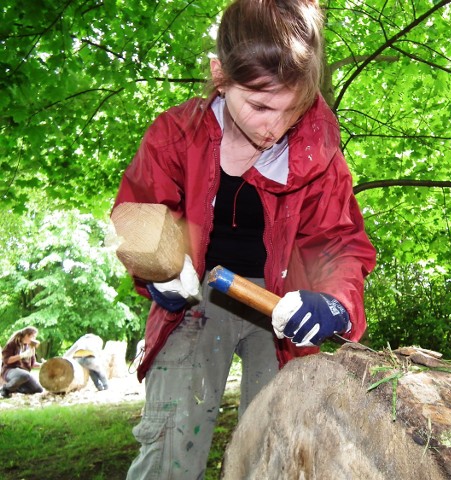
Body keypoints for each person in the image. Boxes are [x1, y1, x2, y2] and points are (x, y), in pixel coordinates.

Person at [112, 0, 376, 478]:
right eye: (259, 106)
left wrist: (335, 304)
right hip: (193, 302)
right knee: (172, 438)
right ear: (220, 76)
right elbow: (140, 214)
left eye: (291, 111)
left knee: (284, 449)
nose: (274, 128)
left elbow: (338, 243)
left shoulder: (318, 155)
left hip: (280, 303)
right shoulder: (174, 135)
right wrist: (157, 270)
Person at [1, 326, 44, 398]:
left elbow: (33, 364)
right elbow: (6, 360)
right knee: (25, 375)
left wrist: (42, 365)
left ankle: (14, 389)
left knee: (38, 389)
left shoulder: (30, 347)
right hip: (10, 370)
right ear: (27, 335)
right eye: (33, 336)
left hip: (24, 374)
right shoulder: (13, 344)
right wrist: (21, 356)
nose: (34, 339)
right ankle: (6, 388)